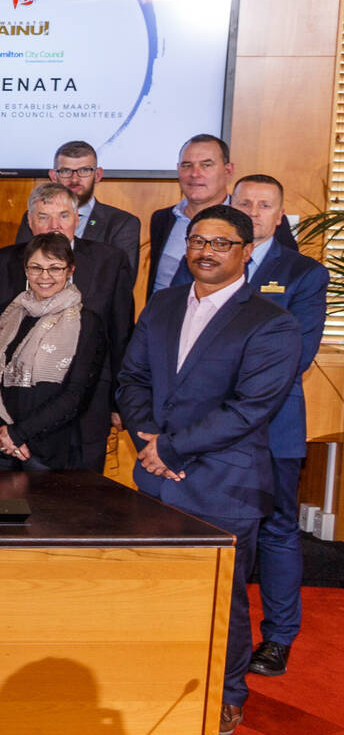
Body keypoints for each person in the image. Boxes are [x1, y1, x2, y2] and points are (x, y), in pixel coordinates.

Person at [116, 205, 302, 735]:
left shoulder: (272, 322)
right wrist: (148, 440)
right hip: (155, 481)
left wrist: (169, 450)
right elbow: (132, 378)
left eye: (221, 242)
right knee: (154, 592)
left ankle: (227, 693)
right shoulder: (164, 304)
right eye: (199, 239)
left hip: (224, 484)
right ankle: (154, 679)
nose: (207, 250)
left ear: (247, 252)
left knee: (223, 603)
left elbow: (250, 408)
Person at [232, 174, 330, 678]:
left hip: (273, 426)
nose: (253, 211)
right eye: (244, 202)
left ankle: (278, 639)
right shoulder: (202, 264)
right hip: (206, 431)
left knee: (276, 531)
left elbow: (298, 354)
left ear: (280, 215)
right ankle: (221, 634)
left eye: (264, 204)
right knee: (217, 531)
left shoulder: (303, 274)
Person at [0, 182, 134, 470]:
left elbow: (120, 333)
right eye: (43, 217)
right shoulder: (0, 262)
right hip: (4, 419)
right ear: (29, 221)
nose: (54, 226)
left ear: (77, 218)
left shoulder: (110, 261)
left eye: (63, 216)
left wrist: (118, 403)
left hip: (82, 411)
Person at [0, 233, 107, 471]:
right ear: (26, 271)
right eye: (36, 268)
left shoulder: (87, 323)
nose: (44, 277)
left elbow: (76, 395)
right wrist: (3, 435)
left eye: (55, 268)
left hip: (48, 451)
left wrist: (18, 434)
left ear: (70, 270)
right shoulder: (1, 318)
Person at [148, 133, 293, 297]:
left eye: (206, 165)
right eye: (186, 165)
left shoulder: (260, 222)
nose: (195, 174)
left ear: (228, 171)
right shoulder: (162, 219)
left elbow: (287, 276)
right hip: (165, 318)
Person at [11, 140, 140, 270]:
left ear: (98, 175)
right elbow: (20, 266)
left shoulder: (121, 223)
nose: (74, 179)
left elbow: (122, 279)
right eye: (66, 171)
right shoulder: (37, 216)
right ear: (54, 176)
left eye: (84, 170)